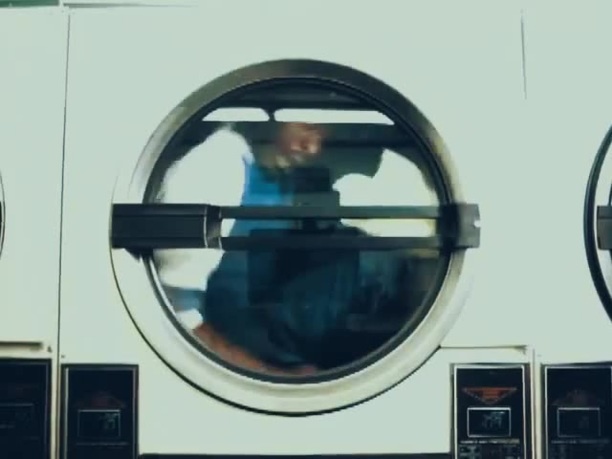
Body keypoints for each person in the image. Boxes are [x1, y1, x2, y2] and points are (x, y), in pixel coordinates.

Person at [154, 120, 438, 376]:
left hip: (279, 336)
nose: (313, 148)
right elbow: (178, 315)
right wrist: (273, 375)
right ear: (269, 115)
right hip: (239, 353)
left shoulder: (281, 172)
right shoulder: (214, 166)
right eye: (307, 127)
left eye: (323, 135)